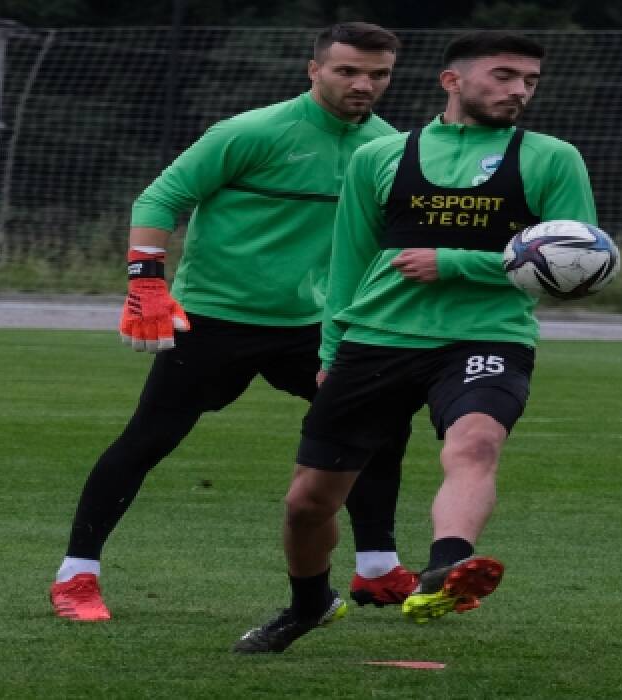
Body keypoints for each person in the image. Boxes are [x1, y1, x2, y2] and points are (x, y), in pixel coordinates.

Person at [234, 30, 599, 653]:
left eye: (530, 80)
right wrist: (330, 352)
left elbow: (577, 264)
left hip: (488, 335)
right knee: (307, 502)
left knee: (475, 443)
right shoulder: (379, 157)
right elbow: (347, 264)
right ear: (451, 80)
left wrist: (455, 263)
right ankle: (307, 604)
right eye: (504, 75)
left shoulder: (552, 158)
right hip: (376, 338)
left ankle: (447, 566)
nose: (519, 90)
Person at [51, 22, 413, 623]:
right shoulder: (251, 132)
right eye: (347, 70)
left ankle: (376, 568)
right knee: (148, 440)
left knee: (379, 421)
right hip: (215, 318)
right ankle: (76, 576)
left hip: (311, 325)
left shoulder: (387, 147)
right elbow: (159, 199)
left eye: (378, 74)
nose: (363, 84)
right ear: (314, 70)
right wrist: (146, 282)